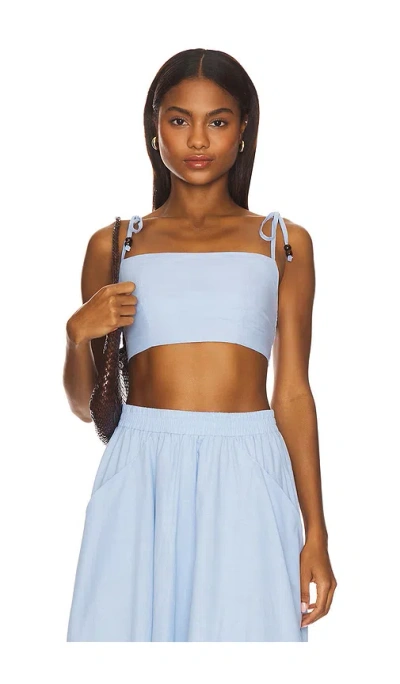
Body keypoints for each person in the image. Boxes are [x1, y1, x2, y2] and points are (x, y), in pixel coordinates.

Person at [64, 48, 337, 642]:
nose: (197, 139)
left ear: (244, 130)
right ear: (154, 127)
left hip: (249, 466)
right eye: (178, 119)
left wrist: (316, 532)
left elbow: (292, 392)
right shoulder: (114, 244)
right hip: (140, 468)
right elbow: (87, 407)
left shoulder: (283, 243)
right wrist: (76, 334)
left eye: (218, 121)